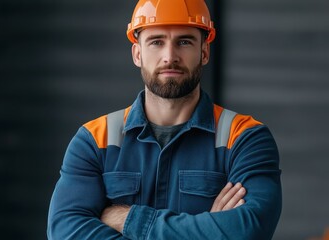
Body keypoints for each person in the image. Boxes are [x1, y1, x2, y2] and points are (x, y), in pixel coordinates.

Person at [47, 0, 282, 239]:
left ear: (204, 52)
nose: (170, 56)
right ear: (137, 54)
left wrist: (126, 219)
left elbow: (248, 230)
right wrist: (210, 228)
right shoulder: (94, 140)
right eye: (157, 42)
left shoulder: (246, 138)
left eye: (184, 42)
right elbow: (66, 230)